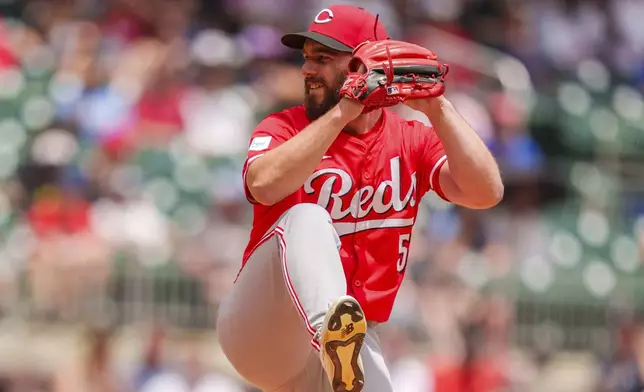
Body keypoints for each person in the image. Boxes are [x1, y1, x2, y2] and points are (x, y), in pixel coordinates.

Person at [216, 4, 503, 392]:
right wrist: (342, 112)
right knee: (307, 218)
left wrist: (438, 108)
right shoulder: (285, 126)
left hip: (353, 339)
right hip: (263, 330)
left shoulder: (411, 139)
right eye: (306, 58)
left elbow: (486, 192)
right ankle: (331, 336)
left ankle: (338, 345)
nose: (306, 69)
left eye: (322, 58)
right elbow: (263, 184)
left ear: (361, 66)